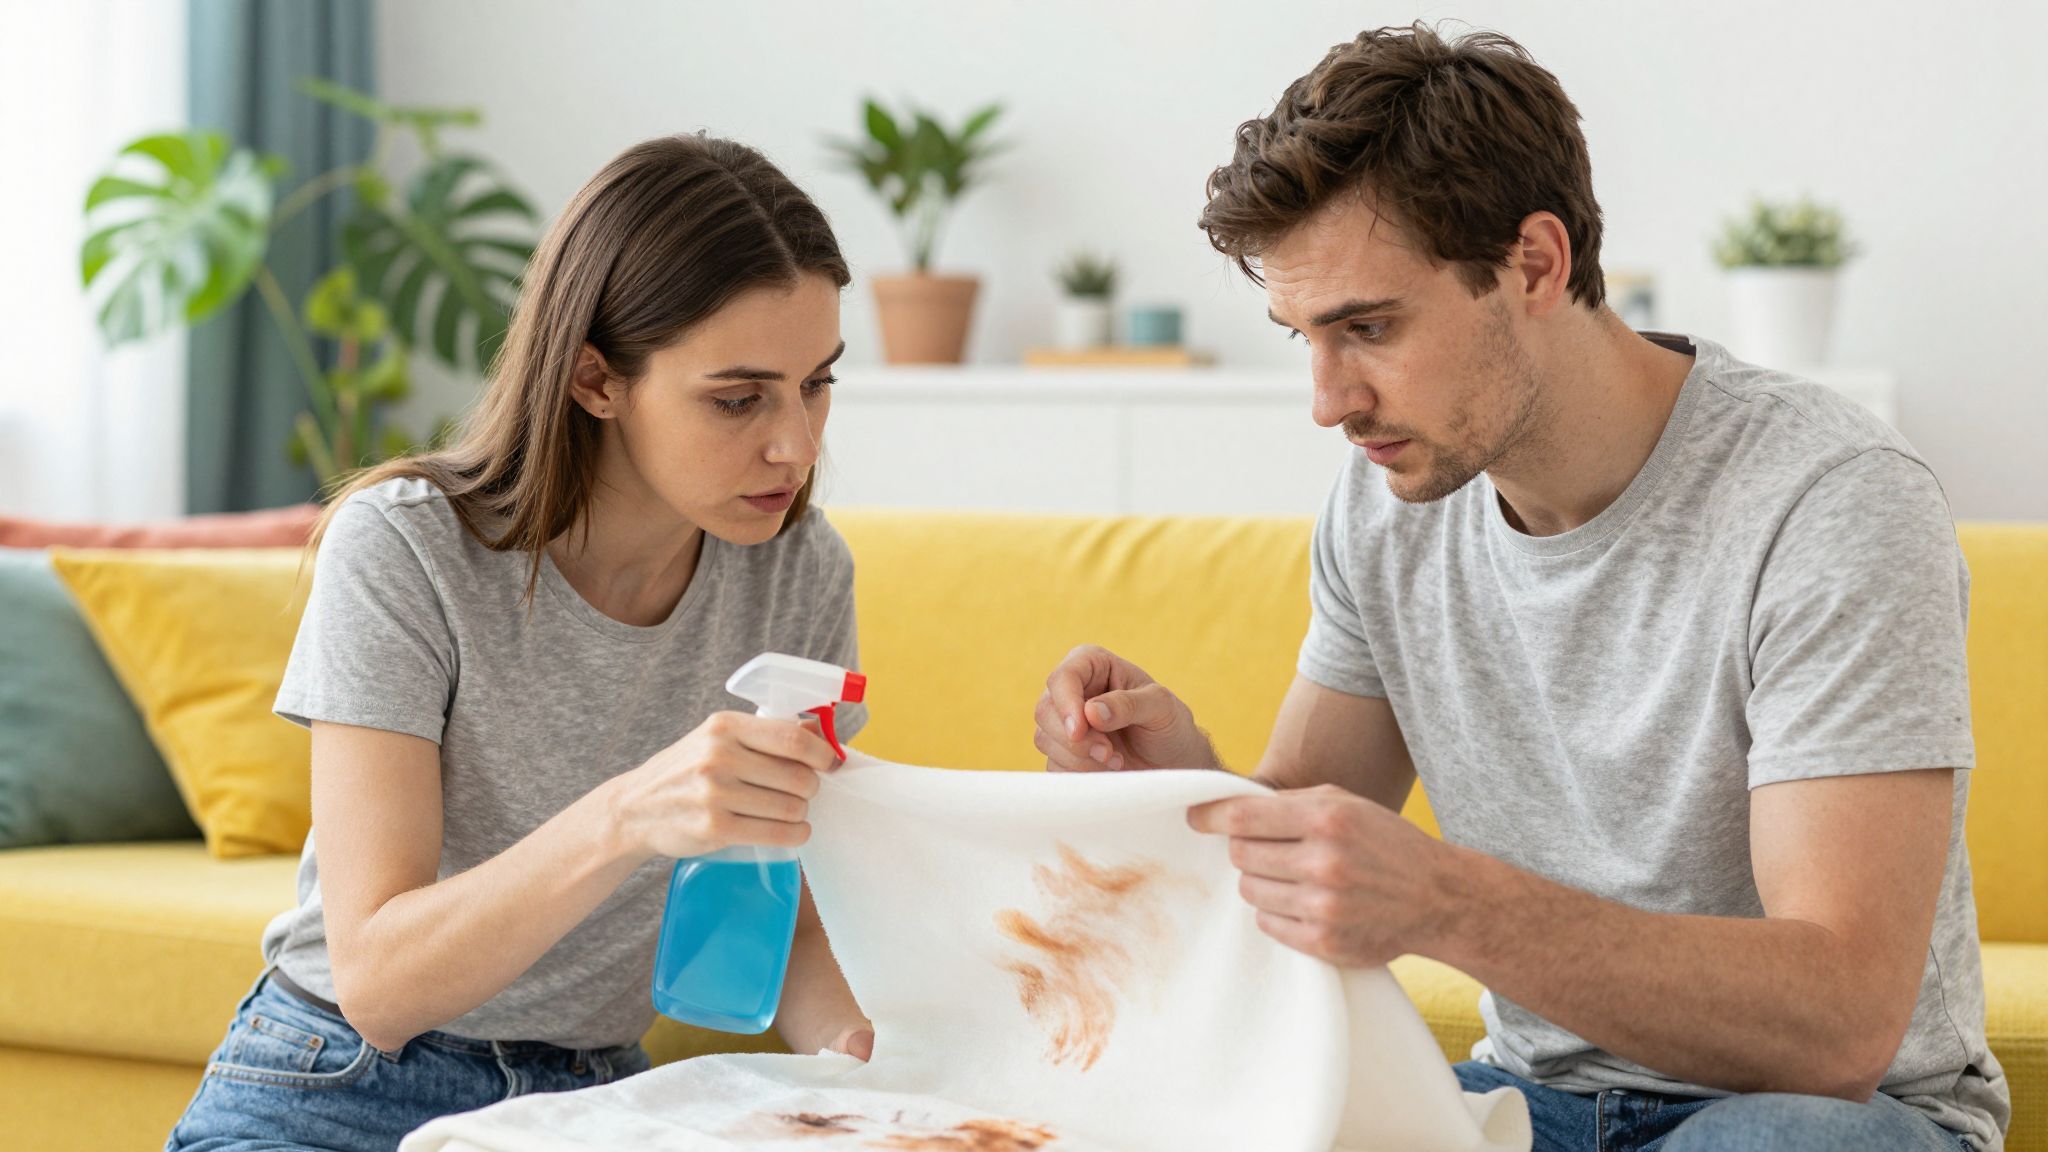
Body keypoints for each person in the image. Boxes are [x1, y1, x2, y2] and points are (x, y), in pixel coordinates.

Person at [1034, 24, 2005, 1152]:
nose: (1326, 399)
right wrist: (1187, 790)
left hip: (1822, 1115)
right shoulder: (1382, 505)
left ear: (1534, 264)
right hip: (1524, 1102)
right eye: (1301, 337)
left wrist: (1446, 902)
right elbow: (1299, 854)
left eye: (1368, 328)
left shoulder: (1827, 500)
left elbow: (1839, 1025)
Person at [168, 133, 873, 1151]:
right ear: (596, 379)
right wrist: (630, 812)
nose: (794, 446)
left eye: (817, 384)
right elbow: (376, 979)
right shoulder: (406, 548)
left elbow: (787, 907)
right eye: (737, 398)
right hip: (336, 1089)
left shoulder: (800, 571)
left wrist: (867, 1064)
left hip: (584, 1105)